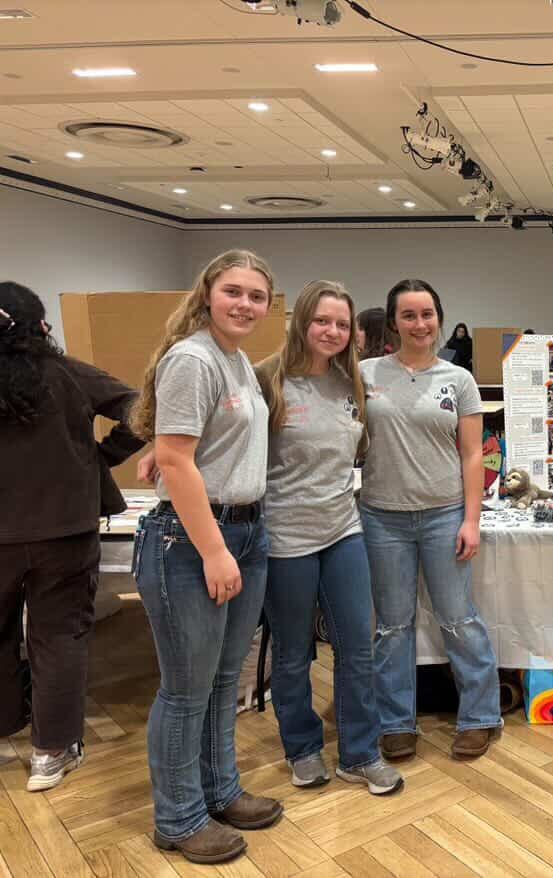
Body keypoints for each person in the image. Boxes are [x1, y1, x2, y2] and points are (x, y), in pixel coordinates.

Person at [130, 250, 282, 864]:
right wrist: (215, 551)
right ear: (208, 293)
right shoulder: (194, 357)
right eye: (234, 292)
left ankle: (219, 791)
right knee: (187, 690)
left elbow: (186, 447)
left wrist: (164, 453)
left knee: (224, 682)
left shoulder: (236, 360)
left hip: (244, 532)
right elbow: (174, 459)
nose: (245, 304)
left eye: (257, 295)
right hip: (196, 543)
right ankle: (178, 817)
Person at [255, 282, 404, 795]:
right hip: (284, 539)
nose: (332, 332)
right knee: (294, 653)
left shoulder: (350, 383)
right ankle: (302, 747)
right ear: (301, 321)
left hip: (344, 530)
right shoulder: (266, 380)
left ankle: (360, 753)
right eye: (322, 321)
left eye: (342, 325)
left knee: (357, 647)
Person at [0, 282, 143, 792]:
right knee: (59, 637)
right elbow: (141, 407)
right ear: (40, 325)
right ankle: (51, 752)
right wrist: (103, 458)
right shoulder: (66, 373)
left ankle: (5, 727)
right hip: (65, 530)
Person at [359, 279, 502, 762]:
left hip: (444, 515)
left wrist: (471, 520)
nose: (420, 325)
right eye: (409, 316)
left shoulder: (458, 380)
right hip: (382, 518)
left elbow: (471, 457)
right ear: (393, 322)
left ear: (440, 317)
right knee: (392, 627)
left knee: (459, 618)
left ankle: (481, 715)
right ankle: (396, 722)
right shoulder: (364, 374)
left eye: (427, 314)